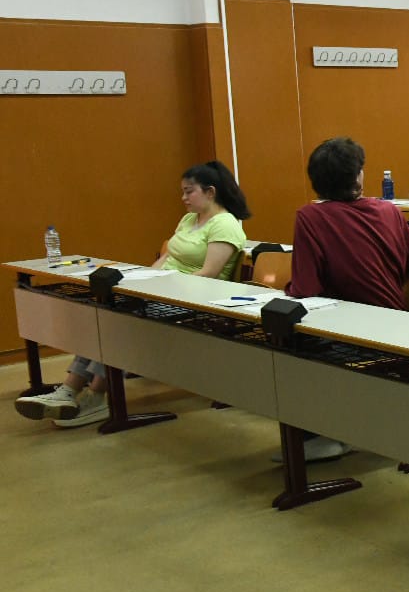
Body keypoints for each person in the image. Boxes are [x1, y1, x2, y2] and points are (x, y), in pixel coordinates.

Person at [17, 161, 252, 430]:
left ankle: (95, 395)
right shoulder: (189, 219)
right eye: (183, 192)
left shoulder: (225, 224)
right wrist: (141, 282)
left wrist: (161, 290)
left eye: (189, 191)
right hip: (163, 293)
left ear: (210, 192)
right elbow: (166, 257)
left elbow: (208, 274)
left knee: (118, 322)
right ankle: (70, 391)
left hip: (193, 301)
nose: (183, 198)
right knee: (103, 314)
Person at [287, 138, 409, 462]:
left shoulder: (310, 217)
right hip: (397, 328)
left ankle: (322, 432)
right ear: (358, 176)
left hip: (351, 334)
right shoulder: (389, 211)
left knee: (285, 343)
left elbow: (305, 288)